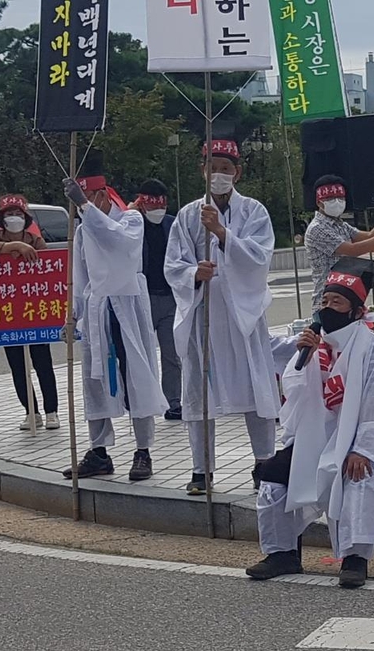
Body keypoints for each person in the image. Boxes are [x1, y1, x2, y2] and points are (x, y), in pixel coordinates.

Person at [245, 257, 374, 588]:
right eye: (324, 300)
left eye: (336, 301)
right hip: (316, 439)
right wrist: (302, 359)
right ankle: (282, 554)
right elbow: (293, 395)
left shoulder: (372, 349)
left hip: (360, 441)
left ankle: (355, 559)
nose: (327, 307)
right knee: (273, 476)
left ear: (355, 310)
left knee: (360, 475)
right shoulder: (318, 345)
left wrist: (363, 449)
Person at [165, 138, 280, 495]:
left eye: (225, 169)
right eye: (212, 168)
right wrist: (192, 275)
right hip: (206, 315)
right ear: (202, 171)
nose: (219, 175)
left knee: (256, 388)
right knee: (200, 392)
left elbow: (260, 258)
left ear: (237, 172)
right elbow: (173, 265)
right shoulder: (187, 215)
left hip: (243, 315)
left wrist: (221, 233)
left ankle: (264, 461)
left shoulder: (254, 211)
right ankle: (202, 469)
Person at [60, 165, 168, 481]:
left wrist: (85, 207)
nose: (85, 204)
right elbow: (79, 277)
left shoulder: (131, 220)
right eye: (80, 199)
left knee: (137, 374)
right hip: (98, 306)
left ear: (103, 194)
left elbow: (116, 242)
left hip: (127, 304)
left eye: (90, 196)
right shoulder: (82, 230)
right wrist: (73, 315)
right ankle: (99, 451)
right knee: (95, 381)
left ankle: (143, 450)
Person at [0, 194, 60, 430]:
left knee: (43, 362)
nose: (14, 219)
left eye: (18, 215)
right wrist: (11, 246)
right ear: (2, 219)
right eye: (9, 215)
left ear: (26, 218)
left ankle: (51, 411)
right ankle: (30, 412)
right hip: (7, 314)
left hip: (34, 313)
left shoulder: (37, 241)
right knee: (17, 364)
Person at [303, 175, 374, 310]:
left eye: (341, 198)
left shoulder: (339, 224)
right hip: (328, 302)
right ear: (319, 203)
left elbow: (369, 236)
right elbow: (353, 249)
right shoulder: (318, 228)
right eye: (331, 199)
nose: (337, 202)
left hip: (347, 295)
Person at [135, 179, 181, 421]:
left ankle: (173, 401)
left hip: (169, 296)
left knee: (171, 353)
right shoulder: (131, 224)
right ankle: (144, 402)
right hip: (142, 297)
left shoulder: (172, 225)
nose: (157, 212)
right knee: (142, 354)